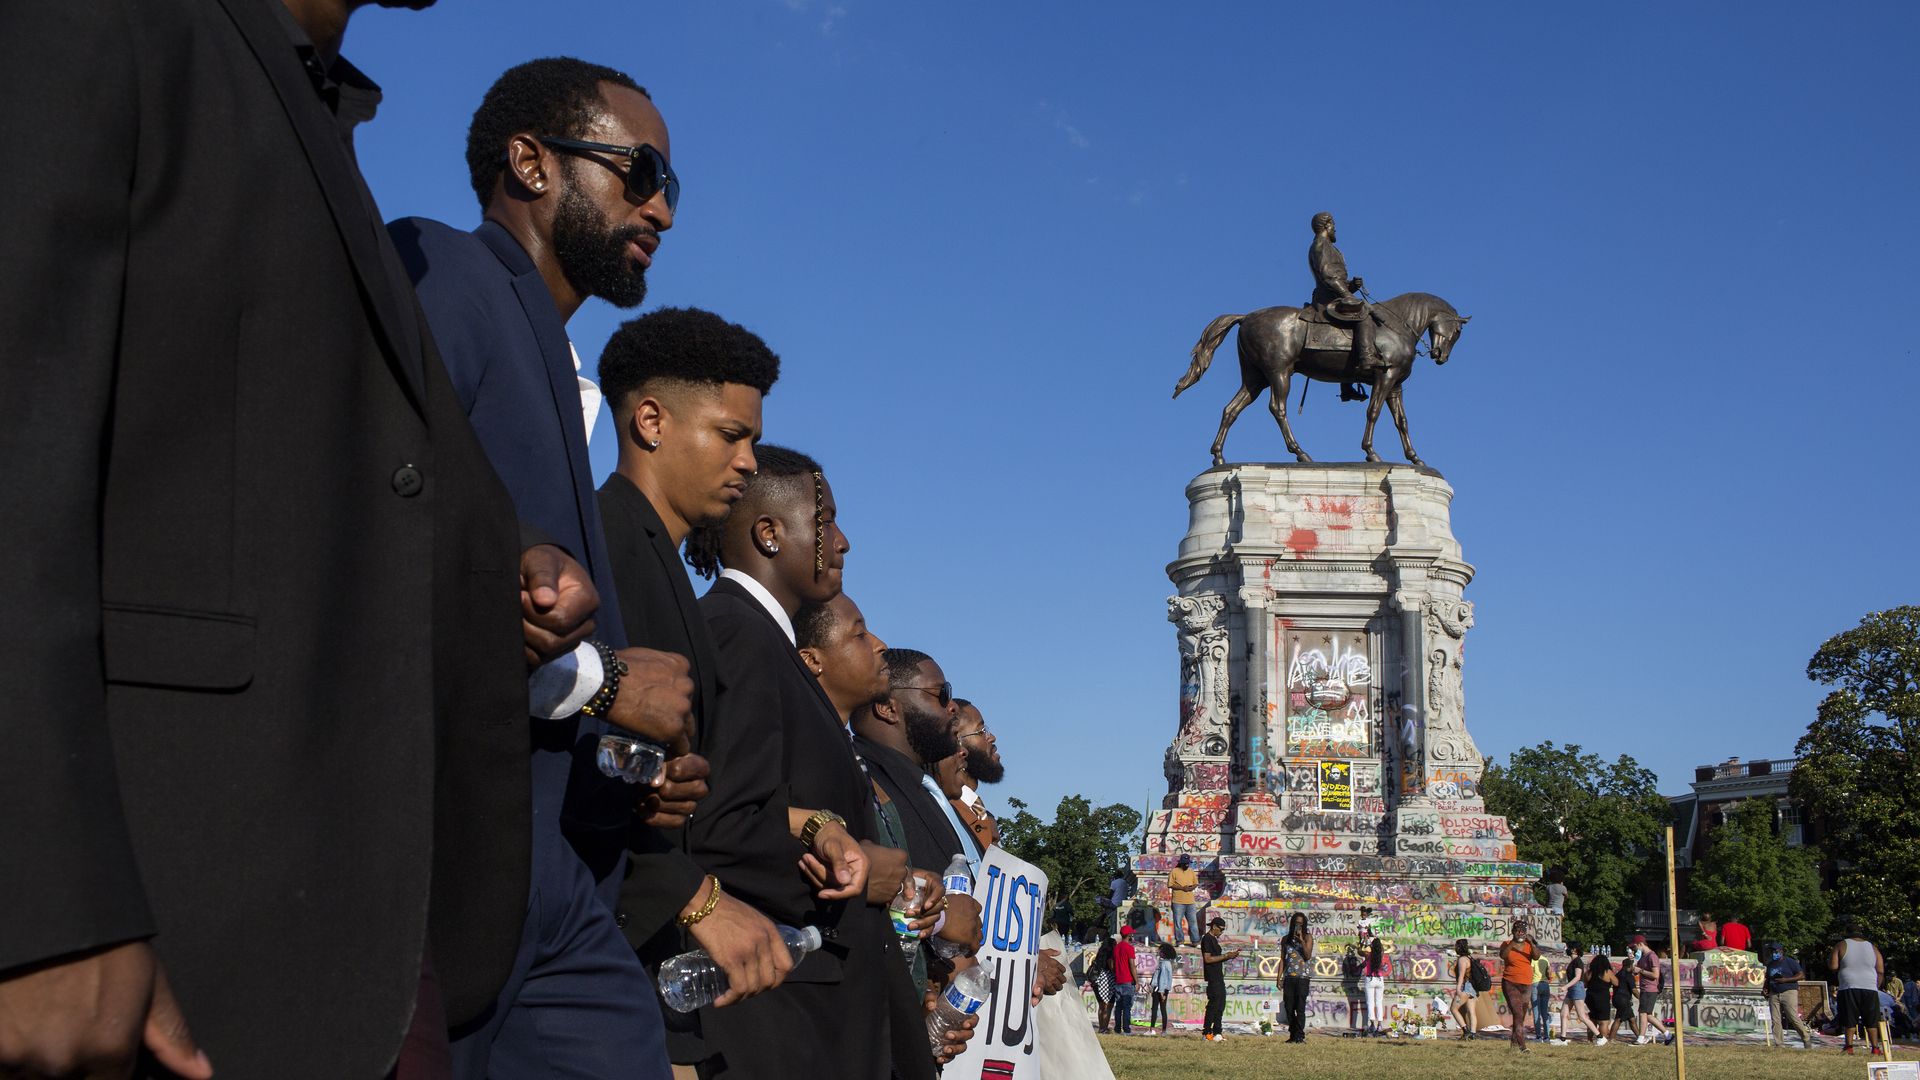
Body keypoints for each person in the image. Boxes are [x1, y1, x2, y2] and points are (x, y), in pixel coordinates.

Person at [0, 3, 619, 1077]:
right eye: (640, 168)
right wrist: (40, 894)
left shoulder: (311, 116)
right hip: (147, 928)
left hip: (343, 939)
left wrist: (504, 553)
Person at [392, 59, 711, 1079]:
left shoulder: (565, 373)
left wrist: (633, 770)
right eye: (640, 170)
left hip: (559, 875)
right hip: (438, 853)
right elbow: (384, 520)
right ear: (530, 163)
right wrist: (608, 685)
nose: (661, 205)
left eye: (671, 185)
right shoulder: (438, 270)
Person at [674, 424, 915, 1079]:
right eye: (827, 519)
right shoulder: (738, 634)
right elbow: (720, 825)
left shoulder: (763, 641)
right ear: (770, 533)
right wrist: (852, 862)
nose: (841, 540)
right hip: (780, 1020)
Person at [794, 592, 981, 1073]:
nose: (952, 712)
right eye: (940, 696)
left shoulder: (913, 784)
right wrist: (937, 922)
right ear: (889, 710)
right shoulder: (848, 768)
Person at [1306, 211, 1380, 399]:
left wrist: (1351, 287)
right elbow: (1328, 276)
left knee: (1352, 322)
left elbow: (1334, 279)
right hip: (1326, 301)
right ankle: (1366, 359)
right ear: (1327, 225)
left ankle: (1346, 387)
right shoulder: (1321, 245)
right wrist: (1347, 294)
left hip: (1333, 296)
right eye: (1334, 225)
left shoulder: (1329, 246)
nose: (1336, 229)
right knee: (1364, 312)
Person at [1831, 925, 1886, 1055]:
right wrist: (1876, 985)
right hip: (1869, 986)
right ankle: (1875, 1048)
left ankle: (1849, 1047)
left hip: (1849, 985)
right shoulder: (1873, 947)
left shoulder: (1841, 945)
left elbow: (1833, 966)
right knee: (1871, 1019)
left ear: (1847, 934)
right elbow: (1880, 970)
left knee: (1849, 1017)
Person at [1762, 943, 1813, 1048]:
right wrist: (1765, 988)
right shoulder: (1771, 964)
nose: (1773, 953)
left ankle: (1806, 1037)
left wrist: (1786, 980)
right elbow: (1768, 978)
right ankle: (1779, 1044)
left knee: (1792, 1016)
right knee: (1775, 1019)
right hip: (1774, 992)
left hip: (1788, 991)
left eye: (1775, 951)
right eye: (1772, 951)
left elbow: (1801, 975)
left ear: (1781, 951)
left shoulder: (1790, 962)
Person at [1498, 918, 1538, 1050]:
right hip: (1510, 983)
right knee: (1518, 1013)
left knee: (1521, 1015)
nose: (1520, 933)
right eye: (1518, 931)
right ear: (1513, 932)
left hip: (1526, 984)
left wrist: (1531, 943)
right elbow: (1503, 955)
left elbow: (1537, 956)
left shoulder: (1528, 945)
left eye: (1522, 931)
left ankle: (1513, 1044)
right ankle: (1523, 1046)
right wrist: (1513, 943)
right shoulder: (1507, 943)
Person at [1553, 947, 1599, 1045]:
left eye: (1569, 948)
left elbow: (1578, 977)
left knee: (1582, 1016)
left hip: (1577, 988)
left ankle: (1600, 1037)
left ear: (1574, 950)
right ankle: (1563, 1039)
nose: (1567, 949)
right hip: (1572, 989)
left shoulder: (1578, 961)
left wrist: (1566, 987)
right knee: (1563, 1014)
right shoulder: (1573, 961)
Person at [1280, 912, 1314, 1043]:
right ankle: (1293, 1034)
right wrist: (1279, 978)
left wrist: (1301, 941)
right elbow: (1282, 959)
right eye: (1296, 923)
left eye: (1301, 923)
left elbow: (1307, 955)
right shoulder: (1286, 939)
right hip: (1289, 977)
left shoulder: (1308, 937)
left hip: (1302, 978)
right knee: (1289, 1008)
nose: (1298, 926)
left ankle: (1299, 1036)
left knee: (1300, 1008)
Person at [1201, 916, 1236, 1041]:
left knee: (1220, 1004)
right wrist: (1226, 956)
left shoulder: (1214, 940)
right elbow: (1208, 958)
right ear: (1214, 927)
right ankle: (1207, 1032)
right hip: (1212, 977)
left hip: (1218, 976)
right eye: (1220, 929)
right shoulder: (1207, 939)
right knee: (1213, 1005)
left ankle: (1217, 1032)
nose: (1221, 932)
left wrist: (1228, 956)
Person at [1634, 942, 1672, 1045]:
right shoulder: (1643, 957)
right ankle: (1667, 1034)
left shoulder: (1652, 956)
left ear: (1641, 944)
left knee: (1643, 1013)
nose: (1635, 949)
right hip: (1644, 988)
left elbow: (1655, 975)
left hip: (1650, 989)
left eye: (1635, 946)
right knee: (1648, 1015)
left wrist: (1641, 971)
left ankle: (1641, 1037)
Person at [1449, 939, 1481, 1040]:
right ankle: (1473, 1034)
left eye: (1456, 946)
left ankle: (1466, 1031)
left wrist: (1458, 989)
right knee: (1471, 1011)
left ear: (1459, 947)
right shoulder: (1469, 958)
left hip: (1465, 987)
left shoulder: (1463, 960)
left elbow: (1461, 976)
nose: (1455, 948)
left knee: (1453, 1009)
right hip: (1472, 988)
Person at [1169, 855, 1201, 947]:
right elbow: (1170, 884)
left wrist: (1191, 888)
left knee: (1193, 922)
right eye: (1185, 863)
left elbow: (1196, 883)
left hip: (1190, 901)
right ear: (1181, 863)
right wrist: (1182, 888)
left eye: (1188, 863)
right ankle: (1180, 941)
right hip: (1178, 901)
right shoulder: (1174, 871)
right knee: (1178, 922)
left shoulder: (1191, 871)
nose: (1187, 865)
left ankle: (1195, 941)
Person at [1112, 926, 1139, 1035]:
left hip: (1118, 980)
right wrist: (1136, 981)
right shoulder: (1129, 948)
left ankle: (1117, 1028)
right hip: (1128, 980)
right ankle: (1126, 1029)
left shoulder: (1116, 948)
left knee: (1118, 1006)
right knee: (1127, 1007)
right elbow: (1132, 965)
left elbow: (1113, 964)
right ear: (1129, 935)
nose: (1132, 935)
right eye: (1131, 934)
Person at [1362, 936, 1388, 1036]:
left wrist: (1367, 942)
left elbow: (1363, 949)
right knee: (1379, 1003)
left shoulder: (1368, 955)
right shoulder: (1382, 955)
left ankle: (1372, 1024)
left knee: (1370, 1002)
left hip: (1370, 979)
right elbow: (1382, 949)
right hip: (1380, 979)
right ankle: (1380, 1025)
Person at [1091, 939, 1117, 1034]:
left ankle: (1101, 1027)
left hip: (1098, 981)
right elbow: (1112, 967)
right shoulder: (1110, 954)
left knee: (1101, 1006)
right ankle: (1104, 1027)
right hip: (1108, 981)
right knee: (1108, 1006)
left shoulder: (1100, 954)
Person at [1151, 942, 1178, 1034]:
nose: (1158, 951)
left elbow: (1162, 978)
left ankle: (1152, 1029)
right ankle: (1164, 1030)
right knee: (1163, 1009)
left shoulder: (1163, 964)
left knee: (1155, 1008)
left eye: (1160, 950)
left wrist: (1161, 992)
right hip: (1163, 989)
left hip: (1159, 989)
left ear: (1164, 952)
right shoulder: (1167, 964)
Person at [1531, 950, 1553, 1043]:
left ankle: (1538, 1036)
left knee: (1536, 1013)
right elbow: (1549, 973)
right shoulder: (1545, 959)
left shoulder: (1532, 960)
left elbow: (1530, 973)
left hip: (1535, 984)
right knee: (1545, 1013)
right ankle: (1547, 1037)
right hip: (1545, 984)